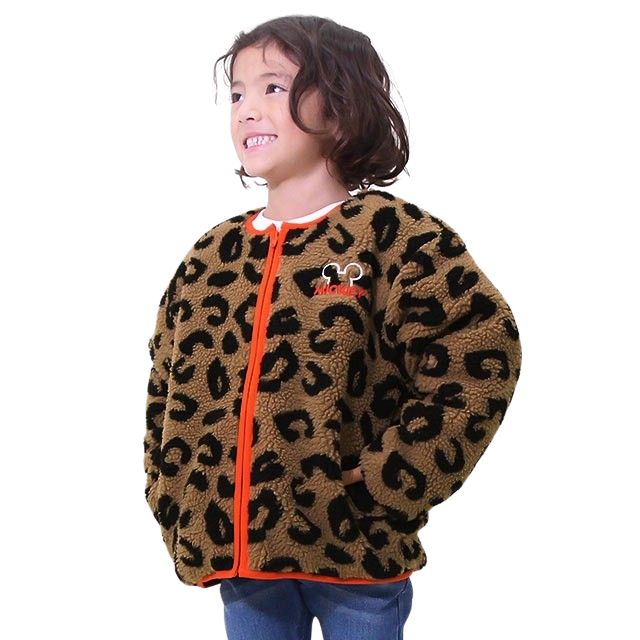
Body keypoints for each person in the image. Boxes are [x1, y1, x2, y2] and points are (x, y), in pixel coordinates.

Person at [143, 15, 522, 640]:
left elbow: (479, 358)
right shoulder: (211, 258)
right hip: (241, 559)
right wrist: (175, 495)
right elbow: (166, 385)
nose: (247, 109)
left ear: (342, 107)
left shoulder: (392, 238)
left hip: (356, 550)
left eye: (273, 87)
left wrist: (387, 480)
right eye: (236, 94)